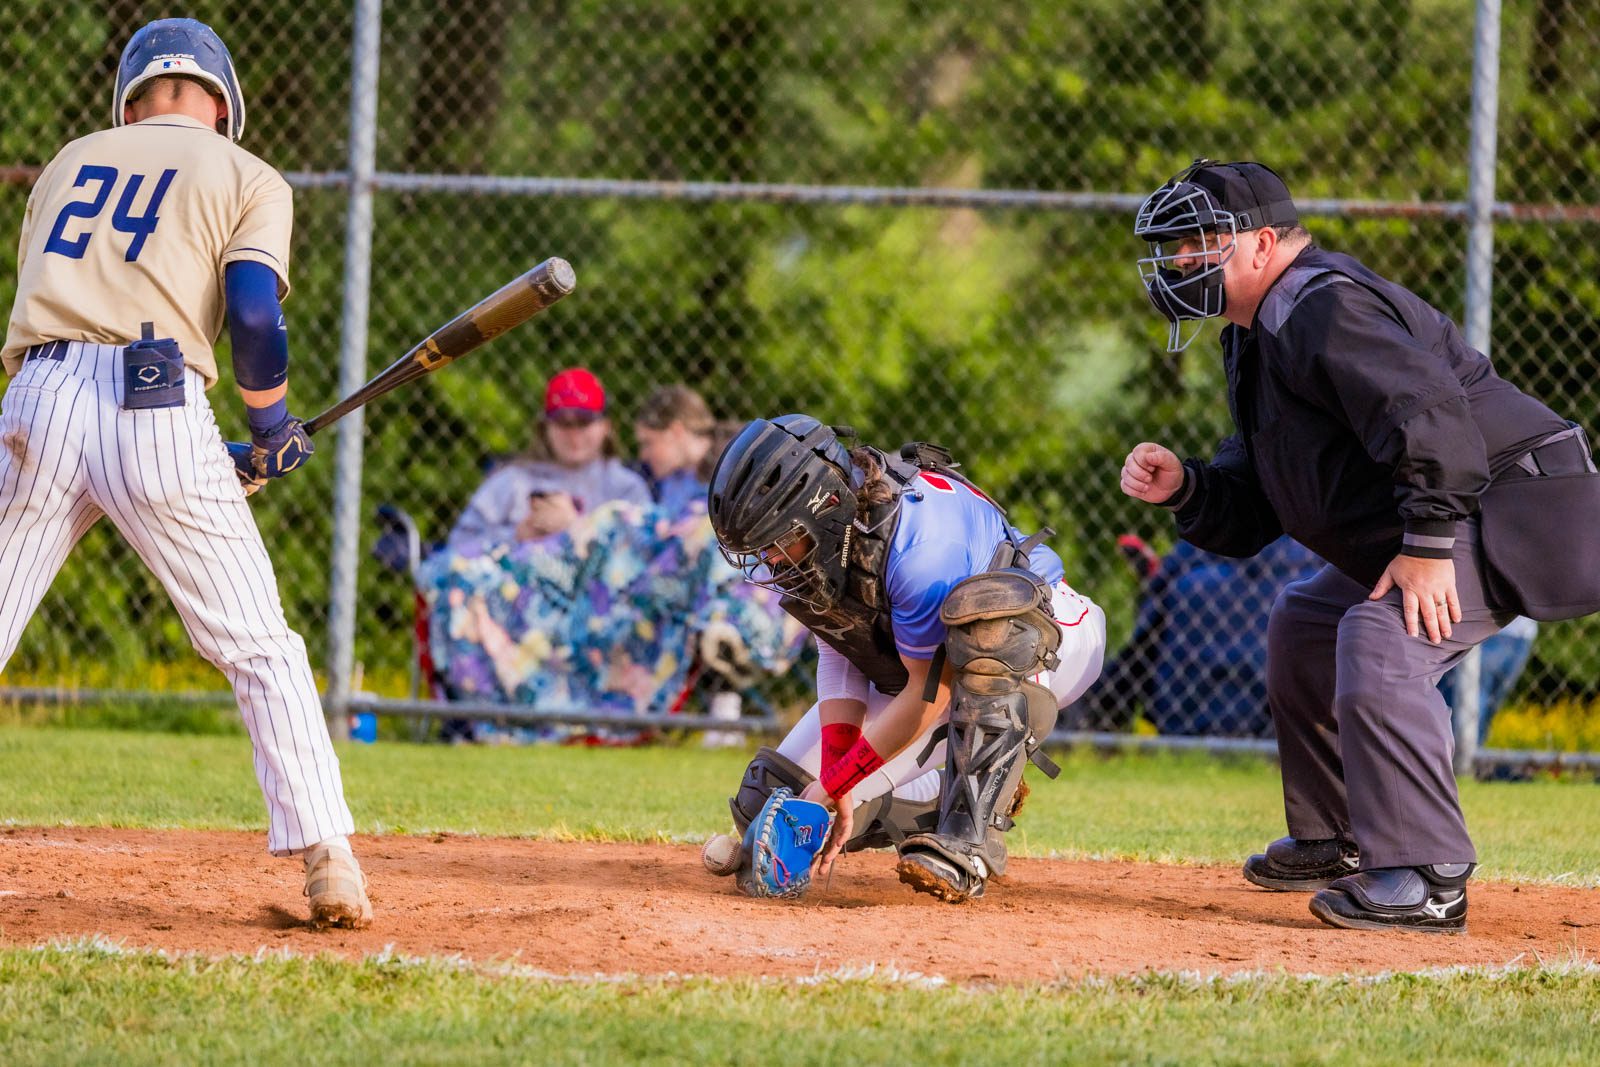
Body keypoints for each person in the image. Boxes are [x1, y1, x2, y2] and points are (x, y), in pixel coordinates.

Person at [1121, 158, 1597, 933]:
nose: (1181, 261)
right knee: (1306, 623)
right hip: (1467, 504)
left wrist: (1428, 542)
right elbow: (1265, 495)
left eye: (1200, 241)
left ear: (1263, 243)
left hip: (1517, 504)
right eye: (1177, 247)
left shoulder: (1320, 303)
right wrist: (1187, 487)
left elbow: (1431, 415)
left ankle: (1428, 874)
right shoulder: (1258, 335)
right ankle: (1338, 836)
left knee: (1381, 637)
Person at [0, 20, 370, 926]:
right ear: (223, 101)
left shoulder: (67, 162)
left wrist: (223, 450)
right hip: (159, 397)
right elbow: (254, 315)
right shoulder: (247, 174)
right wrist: (270, 424)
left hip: (38, 395)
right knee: (258, 645)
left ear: (128, 101)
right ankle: (328, 858)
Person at [700, 416, 1106, 902]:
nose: (770, 560)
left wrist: (837, 784)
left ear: (822, 509)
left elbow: (929, 696)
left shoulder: (921, 552)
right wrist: (834, 776)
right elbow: (842, 649)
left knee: (987, 637)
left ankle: (968, 839)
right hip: (937, 672)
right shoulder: (840, 532)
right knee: (772, 797)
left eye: (776, 543)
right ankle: (938, 794)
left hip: (1048, 638)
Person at [1073, 536, 1322, 737]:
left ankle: (1096, 712)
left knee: (1165, 606)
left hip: (1182, 718)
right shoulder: (1312, 541)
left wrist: (1158, 581)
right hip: (1281, 719)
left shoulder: (1214, 531)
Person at [447, 366, 651, 550]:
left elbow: (645, 555)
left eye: (584, 422)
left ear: (605, 427)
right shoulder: (513, 481)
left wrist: (575, 527)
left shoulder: (626, 487)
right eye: (563, 423)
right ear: (545, 428)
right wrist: (516, 536)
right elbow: (457, 547)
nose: (574, 434)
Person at [632, 384, 717, 517]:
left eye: (648, 443)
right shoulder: (674, 479)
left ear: (676, 431)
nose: (643, 455)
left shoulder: (728, 470)